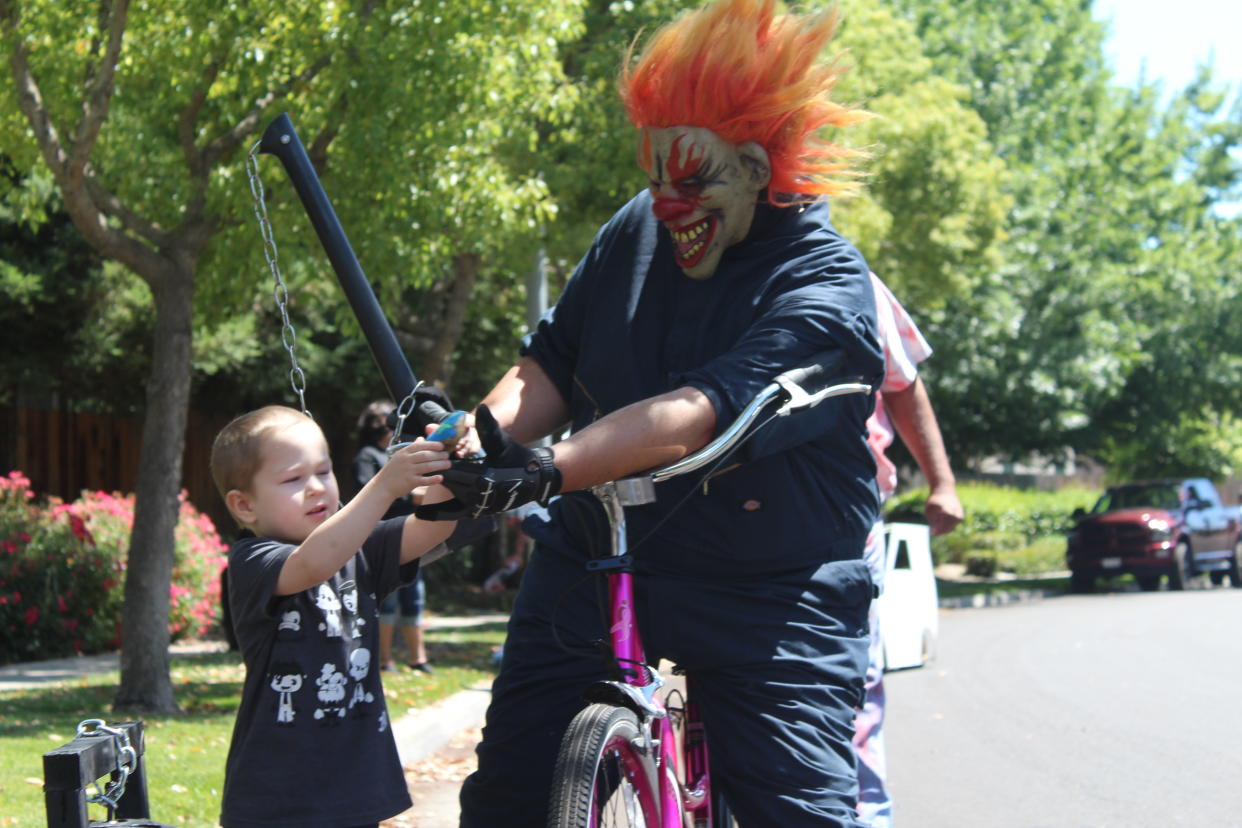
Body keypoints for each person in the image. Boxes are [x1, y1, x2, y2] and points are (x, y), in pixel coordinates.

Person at [420, 2, 884, 824]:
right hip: (603, 554)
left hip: (773, 585)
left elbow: (698, 412)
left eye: (693, 179)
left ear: (754, 165)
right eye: (655, 177)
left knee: (800, 814)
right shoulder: (636, 227)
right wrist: (480, 435)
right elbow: (552, 363)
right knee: (508, 803)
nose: (667, 204)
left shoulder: (828, 287)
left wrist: (543, 470)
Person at [210, 405, 455, 828]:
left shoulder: (357, 548)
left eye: (323, 472)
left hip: (353, 784)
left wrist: (447, 467)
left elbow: (432, 528)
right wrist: (384, 486)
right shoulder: (254, 560)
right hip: (278, 797)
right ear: (244, 506)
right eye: (293, 479)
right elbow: (313, 563)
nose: (316, 488)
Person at [854, 273, 964, 828]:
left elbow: (902, 382)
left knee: (855, 677)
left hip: (843, 508)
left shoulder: (848, 276)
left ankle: (868, 816)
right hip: (708, 508)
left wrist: (941, 481)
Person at [352, 400, 433, 674]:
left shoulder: (399, 455)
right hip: (382, 539)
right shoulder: (367, 456)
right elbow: (368, 493)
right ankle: (384, 660)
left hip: (409, 534)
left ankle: (417, 659)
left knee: (415, 599)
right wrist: (411, 496)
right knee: (389, 602)